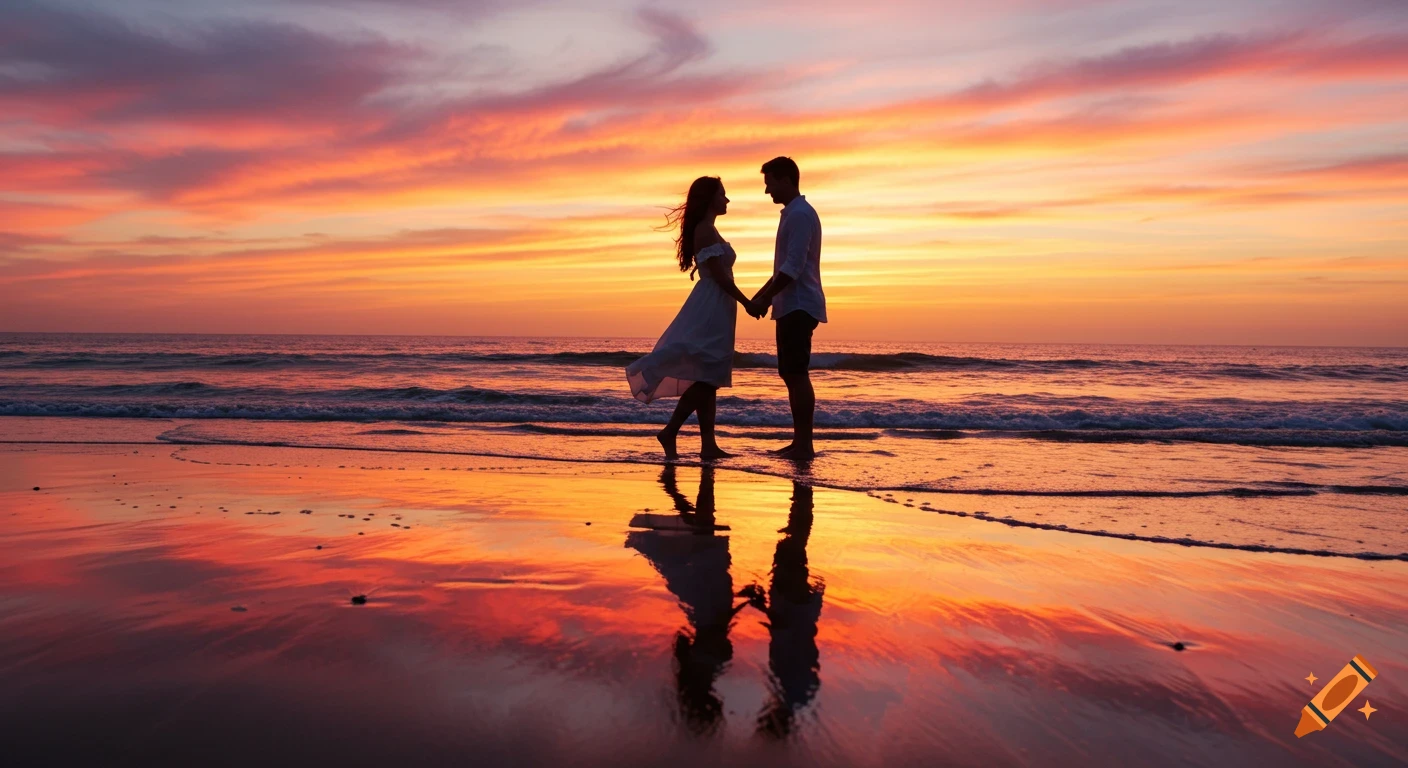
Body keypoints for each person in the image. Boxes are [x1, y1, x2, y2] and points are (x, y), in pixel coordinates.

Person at [627, 176, 765, 460]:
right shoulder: (704, 230)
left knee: (709, 375)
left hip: (719, 305)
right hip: (712, 305)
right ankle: (671, 431)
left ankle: (708, 445)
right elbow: (718, 275)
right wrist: (747, 301)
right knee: (709, 377)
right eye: (723, 195)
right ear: (710, 198)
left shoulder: (710, 229)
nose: (727, 200)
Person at [746, 157, 826, 460]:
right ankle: (799, 443)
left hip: (799, 303)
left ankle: (804, 445)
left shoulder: (801, 215)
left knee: (796, 372)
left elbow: (792, 268)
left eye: (770, 183)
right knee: (790, 372)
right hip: (791, 303)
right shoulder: (793, 214)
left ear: (786, 179)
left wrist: (764, 298)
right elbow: (785, 267)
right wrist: (762, 295)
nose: (767, 190)